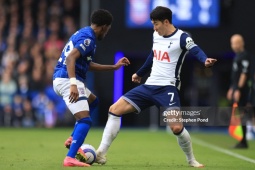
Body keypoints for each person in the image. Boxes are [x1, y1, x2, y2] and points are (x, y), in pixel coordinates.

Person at [95, 6, 216, 168]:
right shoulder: (156, 35)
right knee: (114, 109)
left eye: (156, 24)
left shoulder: (182, 37)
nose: (154, 28)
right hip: (149, 85)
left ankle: (191, 160)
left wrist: (205, 60)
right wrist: (139, 73)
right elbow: (153, 55)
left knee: (176, 127)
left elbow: (195, 50)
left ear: (166, 22)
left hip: (167, 88)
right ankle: (100, 153)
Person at [53, 9, 130, 167]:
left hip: (64, 78)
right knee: (85, 120)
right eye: (107, 30)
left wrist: (114, 67)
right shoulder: (88, 38)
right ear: (103, 27)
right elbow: (70, 58)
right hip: (67, 80)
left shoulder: (84, 34)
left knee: (93, 102)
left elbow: (87, 64)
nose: (106, 33)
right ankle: (70, 158)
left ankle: (72, 138)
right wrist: (73, 83)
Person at [226, 34, 251, 148]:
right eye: (233, 43)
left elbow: (244, 74)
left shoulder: (245, 56)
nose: (234, 45)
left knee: (244, 114)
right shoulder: (237, 57)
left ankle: (244, 141)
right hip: (237, 89)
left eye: (236, 43)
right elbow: (235, 76)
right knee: (240, 115)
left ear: (242, 43)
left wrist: (239, 89)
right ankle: (243, 140)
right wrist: (232, 88)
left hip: (245, 90)